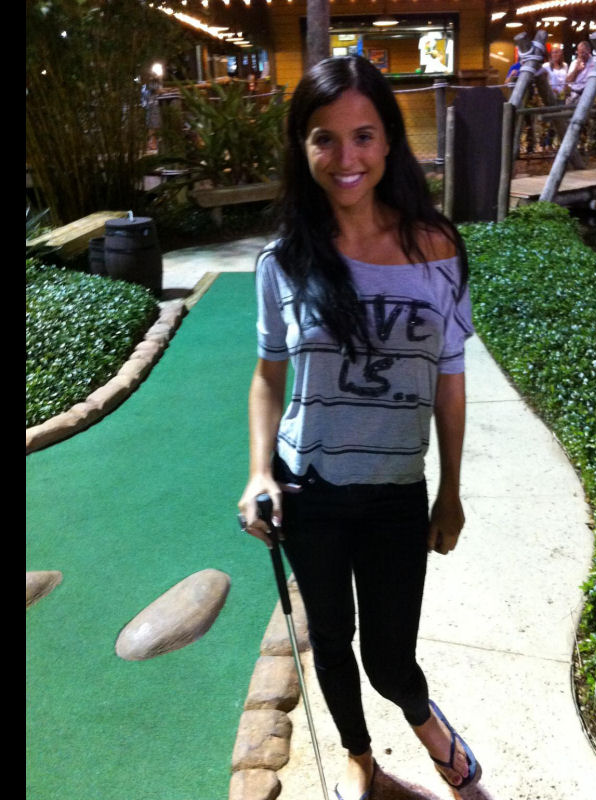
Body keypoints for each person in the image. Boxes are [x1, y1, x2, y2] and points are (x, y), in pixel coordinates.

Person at [237, 55, 481, 800]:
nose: (346, 157)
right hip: (309, 489)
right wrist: (259, 471)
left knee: (389, 655)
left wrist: (450, 491)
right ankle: (359, 754)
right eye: (325, 138)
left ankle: (421, 717)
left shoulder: (437, 249)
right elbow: (268, 376)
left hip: (396, 492)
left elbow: (449, 381)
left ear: (389, 142)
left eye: (364, 136)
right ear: (302, 146)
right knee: (331, 640)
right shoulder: (283, 261)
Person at [565, 40, 593, 106]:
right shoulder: (574, 63)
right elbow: (568, 80)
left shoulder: (595, 62)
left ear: (589, 51)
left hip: (589, 94)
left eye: (583, 52)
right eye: (579, 52)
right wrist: (576, 70)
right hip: (574, 94)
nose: (581, 55)